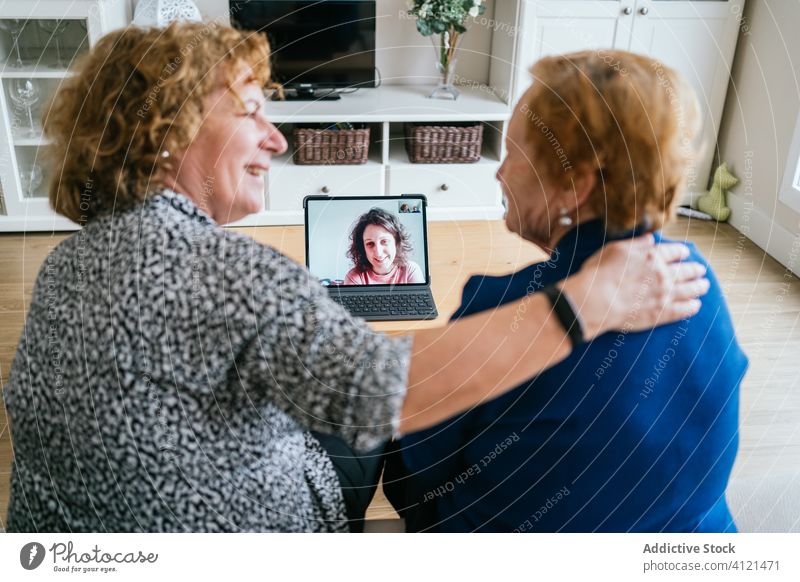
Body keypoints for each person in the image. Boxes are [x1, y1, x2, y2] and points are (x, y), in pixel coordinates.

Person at [4, 24, 709, 533]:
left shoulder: (67, 262)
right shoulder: (233, 275)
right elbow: (383, 395)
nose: (277, 139)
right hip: (231, 536)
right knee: (365, 426)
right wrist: (586, 301)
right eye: (252, 111)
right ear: (166, 130)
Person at [384, 50, 748, 533]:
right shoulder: (696, 277)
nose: (499, 172)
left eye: (511, 153)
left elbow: (422, 469)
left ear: (573, 184)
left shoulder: (503, 311)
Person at [343, 208, 424, 285]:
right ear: (363, 248)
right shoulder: (353, 278)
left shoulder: (411, 270)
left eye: (384, 241)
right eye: (370, 243)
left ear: (396, 242)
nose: (378, 253)